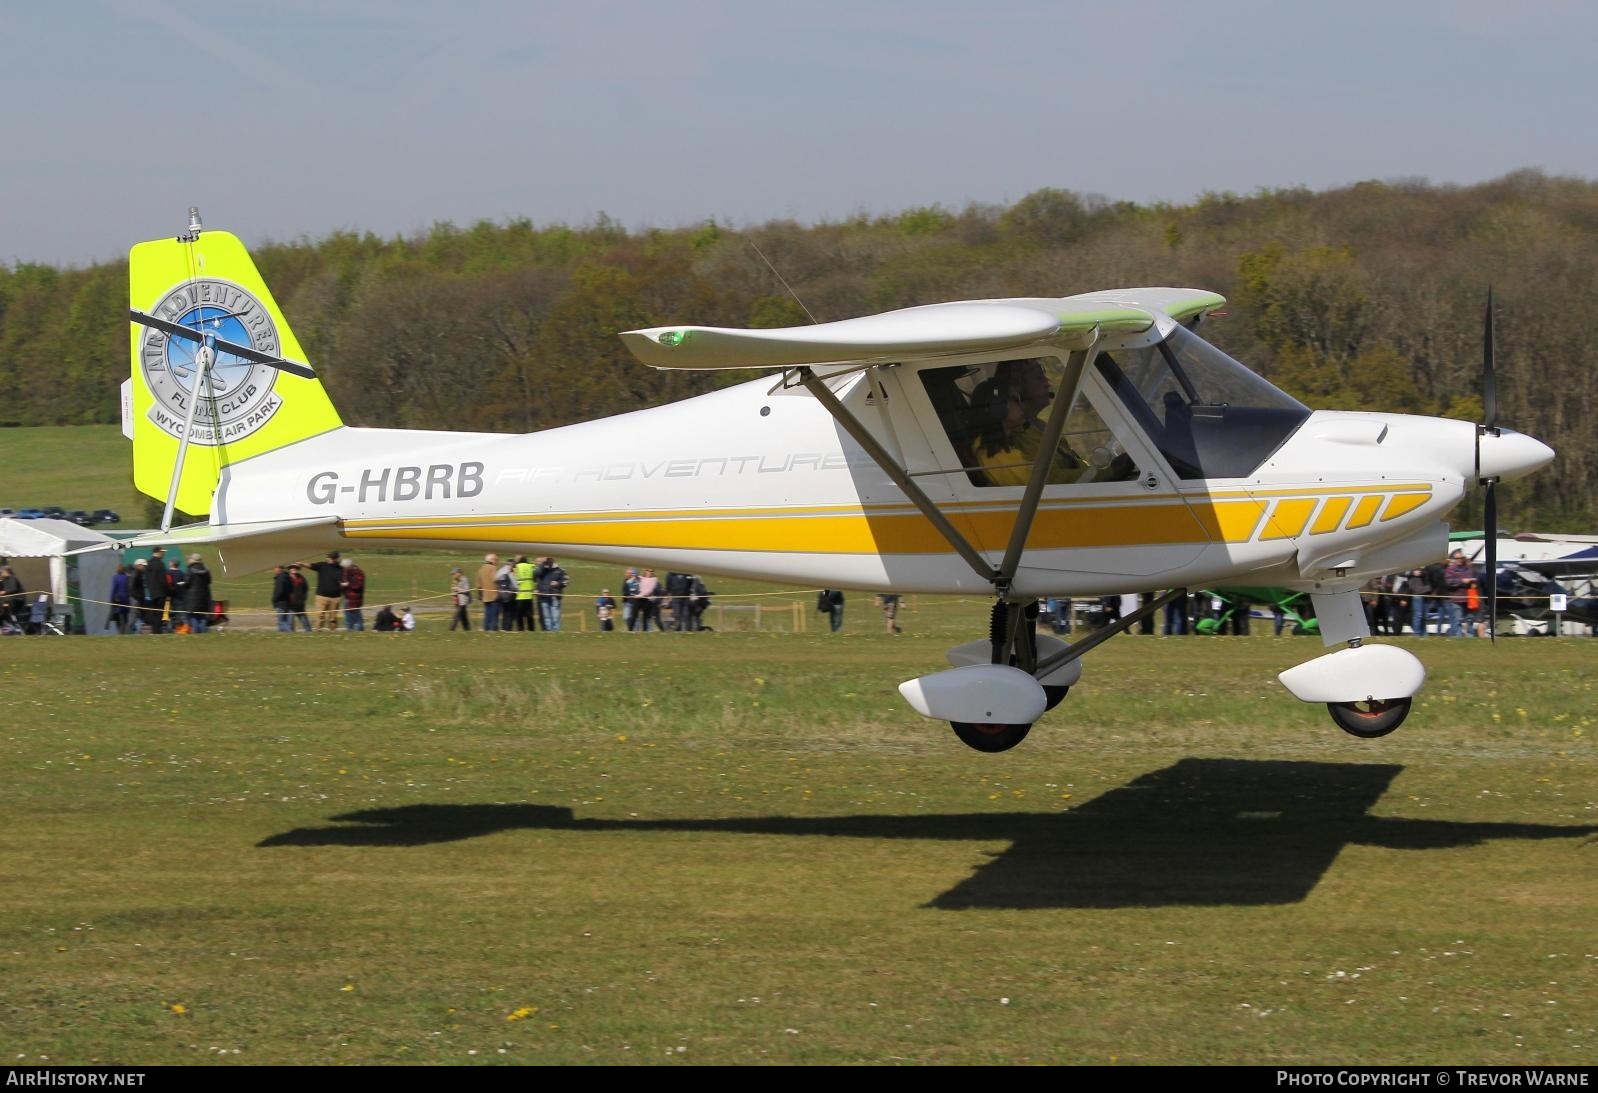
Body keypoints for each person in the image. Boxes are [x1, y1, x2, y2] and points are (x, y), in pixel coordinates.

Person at [308, 551, 344, 632]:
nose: (330, 558)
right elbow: (311, 565)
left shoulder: (341, 568)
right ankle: (318, 630)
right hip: (321, 596)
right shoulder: (322, 565)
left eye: (332, 557)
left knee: (333, 617)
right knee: (320, 616)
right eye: (329, 557)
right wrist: (301, 563)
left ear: (336, 558)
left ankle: (333, 631)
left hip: (336, 597)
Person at [1442, 549, 1474, 637]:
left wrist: (1473, 581)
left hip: (1470, 598)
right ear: (1454, 559)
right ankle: (1458, 637)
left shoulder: (1469, 569)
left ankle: (1471, 637)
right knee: (1457, 620)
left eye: (1461, 558)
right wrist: (1462, 581)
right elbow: (1449, 582)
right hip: (1457, 599)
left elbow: (1475, 578)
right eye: (1457, 558)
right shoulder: (1449, 570)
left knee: (1470, 619)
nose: (1459, 559)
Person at [536, 557, 568, 631]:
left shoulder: (560, 570)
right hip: (543, 596)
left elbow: (566, 580)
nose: (548, 562)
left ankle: (556, 632)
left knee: (555, 617)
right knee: (547, 618)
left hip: (554, 596)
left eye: (549, 560)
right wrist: (542, 565)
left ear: (553, 561)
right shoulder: (541, 570)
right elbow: (535, 574)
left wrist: (558, 583)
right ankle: (549, 632)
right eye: (546, 561)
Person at [185, 553, 213, 634]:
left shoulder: (190, 569)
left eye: (189, 559)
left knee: (193, 616)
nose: (188, 560)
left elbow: (187, 582)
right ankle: (203, 632)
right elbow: (209, 581)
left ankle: (196, 632)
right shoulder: (206, 569)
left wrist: (182, 584)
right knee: (202, 616)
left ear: (193, 560)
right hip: (204, 597)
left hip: (193, 598)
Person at [476, 553, 502, 632]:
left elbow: (478, 584)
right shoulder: (493, 568)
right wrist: (497, 592)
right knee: (494, 614)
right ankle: (493, 629)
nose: (497, 561)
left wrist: (480, 595)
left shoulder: (480, 569)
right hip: (494, 595)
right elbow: (495, 580)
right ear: (491, 560)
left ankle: (486, 628)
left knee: (487, 614)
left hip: (485, 596)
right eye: (496, 560)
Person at [342, 556, 366, 631]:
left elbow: (358, 585)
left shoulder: (358, 572)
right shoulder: (348, 571)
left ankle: (358, 630)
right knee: (348, 617)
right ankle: (350, 630)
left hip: (354, 598)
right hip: (348, 597)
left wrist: (347, 584)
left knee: (356, 616)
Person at [513, 554, 536, 631]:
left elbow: (516, 580)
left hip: (520, 595)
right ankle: (531, 629)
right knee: (529, 615)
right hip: (529, 595)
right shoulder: (531, 566)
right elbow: (535, 576)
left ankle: (520, 629)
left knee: (519, 615)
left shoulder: (517, 567)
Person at [0, 565, 25, 632]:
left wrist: (4, 592)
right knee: (3, 606)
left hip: (17, 600)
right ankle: (5, 626)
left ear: (7, 572)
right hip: (9, 601)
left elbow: (13, 589)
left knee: (4, 607)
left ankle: (9, 627)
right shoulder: (4, 580)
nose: (1, 573)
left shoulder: (13, 578)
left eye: (1, 572)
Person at [108, 563, 132, 634]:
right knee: (125, 617)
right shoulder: (127, 577)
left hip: (117, 600)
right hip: (126, 600)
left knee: (117, 617)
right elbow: (129, 589)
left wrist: (111, 599)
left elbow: (114, 589)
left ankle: (119, 632)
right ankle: (124, 631)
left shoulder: (115, 577)